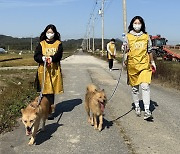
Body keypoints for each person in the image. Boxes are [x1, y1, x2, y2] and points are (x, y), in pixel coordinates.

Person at [123, 16, 156, 120]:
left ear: (142, 24)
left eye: (139, 23)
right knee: (135, 88)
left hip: (144, 65)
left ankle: (147, 110)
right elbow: (125, 48)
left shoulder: (146, 36)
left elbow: (149, 50)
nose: (137, 25)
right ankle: (137, 106)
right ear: (132, 24)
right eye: (135, 23)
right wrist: (124, 49)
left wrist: (152, 62)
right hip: (132, 65)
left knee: (145, 86)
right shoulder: (128, 36)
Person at [34, 24, 63, 120]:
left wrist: (52, 58)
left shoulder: (58, 43)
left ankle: (50, 110)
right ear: (45, 33)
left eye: (51, 32)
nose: (49, 34)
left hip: (54, 70)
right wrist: (42, 58)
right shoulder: (41, 44)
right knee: (44, 91)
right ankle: (43, 109)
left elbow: (59, 56)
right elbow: (36, 56)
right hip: (43, 70)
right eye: (48, 32)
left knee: (51, 91)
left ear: (55, 33)